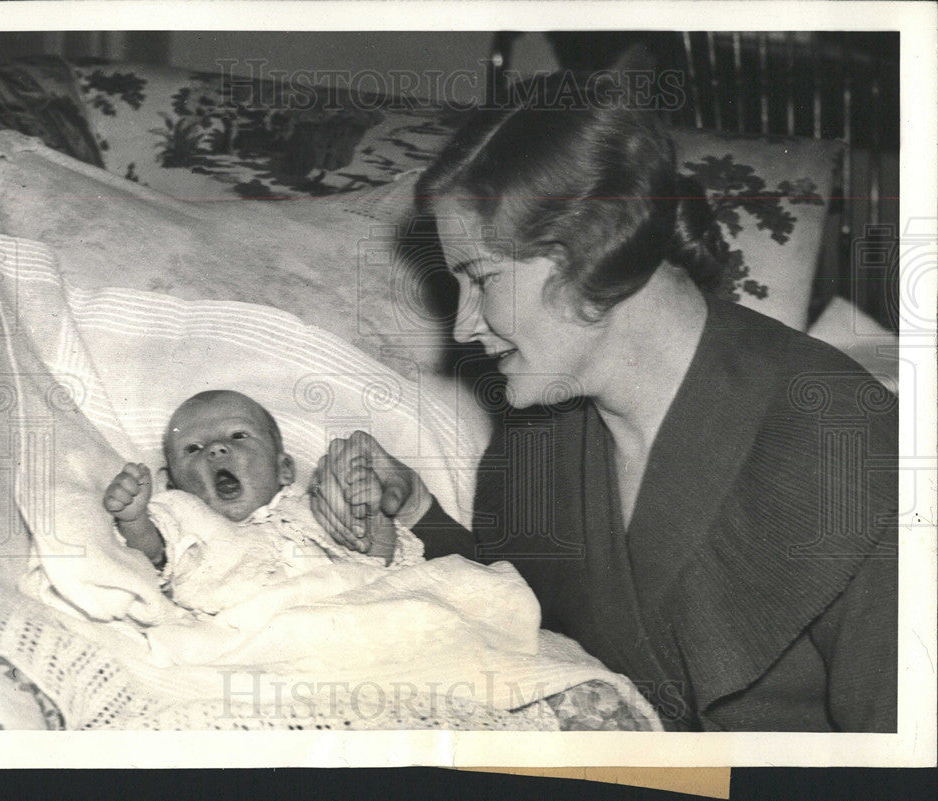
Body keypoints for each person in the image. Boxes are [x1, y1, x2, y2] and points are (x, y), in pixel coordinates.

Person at [310, 71, 898, 732]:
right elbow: (536, 614)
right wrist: (415, 509)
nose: (462, 326)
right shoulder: (541, 426)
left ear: (591, 249)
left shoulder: (848, 440)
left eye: (480, 278)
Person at [103, 390, 421, 614]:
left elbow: (381, 567)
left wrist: (373, 514)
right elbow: (152, 556)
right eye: (193, 448)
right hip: (252, 642)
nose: (216, 449)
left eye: (238, 435)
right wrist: (135, 519)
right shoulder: (183, 514)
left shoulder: (318, 508)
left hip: (349, 622)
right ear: (172, 484)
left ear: (284, 469)